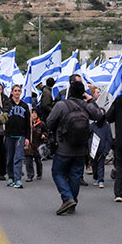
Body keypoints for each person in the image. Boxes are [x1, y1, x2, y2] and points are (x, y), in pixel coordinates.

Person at [46, 81, 101, 214]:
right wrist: (91, 100)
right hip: (81, 148)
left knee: (57, 172)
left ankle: (67, 198)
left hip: (63, 146)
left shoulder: (61, 105)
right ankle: (72, 201)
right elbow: (98, 115)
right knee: (76, 174)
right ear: (83, 93)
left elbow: (49, 122)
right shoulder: (86, 106)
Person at [4, 84, 31, 188]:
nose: (17, 92)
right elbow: (3, 116)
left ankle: (18, 179)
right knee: (9, 157)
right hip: (9, 135)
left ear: (21, 92)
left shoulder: (24, 106)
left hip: (20, 135)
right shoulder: (7, 104)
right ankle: (10, 177)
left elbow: (27, 124)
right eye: (15, 90)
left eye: (19, 90)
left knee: (18, 157)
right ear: (11, 92)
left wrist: (27, 137)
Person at [89, 110, 113, 188]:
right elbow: (89, 137)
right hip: (93, 150)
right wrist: (89, 149)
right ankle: (95, 177)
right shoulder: (92, 126)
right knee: (94, 165)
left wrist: (106, 150)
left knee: (100, 165)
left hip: (102, 150)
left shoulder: (106, 126)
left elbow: (109, 139)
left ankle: (101, 180)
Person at [25, 109, 48, 181]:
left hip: (38, 144)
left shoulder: (41, 124)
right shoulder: (27, 124)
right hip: (29, 144)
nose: (34, 114)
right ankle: (30, 175)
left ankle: (39, 173)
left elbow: (46, 132)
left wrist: (44, 135)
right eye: (32, 113)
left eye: (35, 113)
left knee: (38, 160)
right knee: (28, 160)